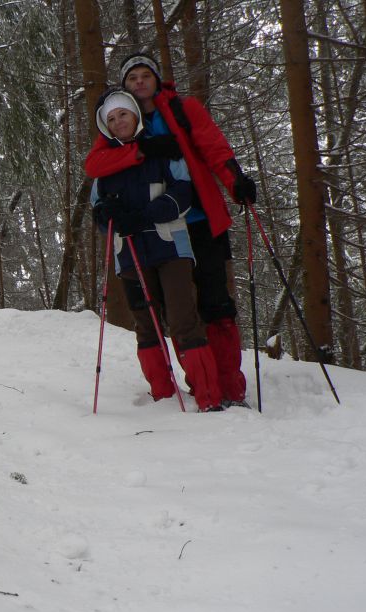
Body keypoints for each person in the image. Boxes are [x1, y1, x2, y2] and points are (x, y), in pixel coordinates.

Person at [85, 53, 256, 407]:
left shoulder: (182, 109)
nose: (140, 82)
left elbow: (213, 146)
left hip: (199, 219)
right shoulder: (120, 121)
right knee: (171, 312)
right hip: (155, 234)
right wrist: (140, 151)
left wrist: (235, 180)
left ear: (157, 78)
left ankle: (227, 387)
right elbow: (95, 166)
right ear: (125, 88)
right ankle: (197, 386)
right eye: (132, 78)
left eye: (146, 75)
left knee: (215, 304)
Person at [92, 89, 223, 412]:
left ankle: (207, 397)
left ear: (135, 115)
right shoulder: (105, 168)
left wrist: (148, 214)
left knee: (182, 319)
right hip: (129, 252)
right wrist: (109, 216)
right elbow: (98, 210)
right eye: (111, 118)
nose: (118, 121)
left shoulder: (162, 153)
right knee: (146, 324)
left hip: (170, 246)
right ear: (105, 126)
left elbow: (183, 192)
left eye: (123, 114)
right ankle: (163, 396)